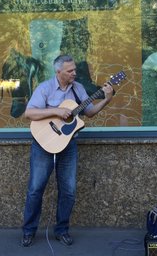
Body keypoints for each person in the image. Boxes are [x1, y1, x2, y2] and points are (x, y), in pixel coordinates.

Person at [21, 54, 114, 247]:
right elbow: (29, 113)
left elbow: (88, 113)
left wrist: (106, 99)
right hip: (43, 143)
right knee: (35, 189)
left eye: (74, 69)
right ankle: (29, 231)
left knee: (69, 191)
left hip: (68, 145)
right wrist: (56, 111)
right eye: (70, 70)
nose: (74, 73)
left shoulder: (78, 89)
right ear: (59, 72)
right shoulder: (45, 88)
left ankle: (62, 230)